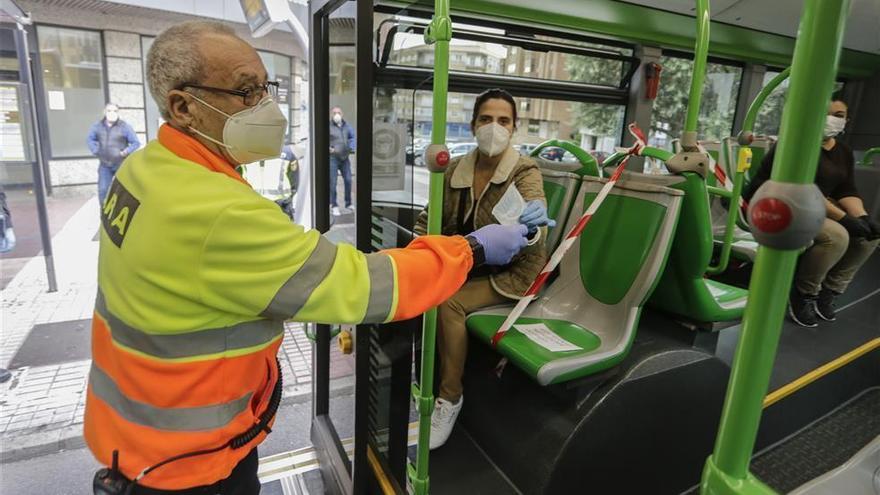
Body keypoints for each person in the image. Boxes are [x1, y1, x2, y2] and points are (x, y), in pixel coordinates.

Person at [87, 21, 529, 495]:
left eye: (264, 87)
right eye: (245, 91)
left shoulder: (143, 168)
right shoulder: (216, 211)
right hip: (190, 464)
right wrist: (473, 248)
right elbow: (361, 286)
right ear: (183, 107)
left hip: (132, 437)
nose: (266, 105)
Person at [414, 89, 555, 449]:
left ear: (514, 127)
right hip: (471, 264)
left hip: (516, 271)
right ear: (473, 124)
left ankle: (450, 396)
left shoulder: (524, 170)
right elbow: (429, 219)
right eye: (486, 119)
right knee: (421, 286)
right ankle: (422, 381)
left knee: (450, 301)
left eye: (503, 121)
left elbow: (535, 213)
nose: (494, 128)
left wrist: (534, 222)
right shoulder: (455, 171)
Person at [744, 99, 880, 328]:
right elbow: (803, 187)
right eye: (825, 113)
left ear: (846, 120)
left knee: (868, 238)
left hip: (817, 206)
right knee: (837, 236)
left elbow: (846, 189)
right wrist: (845, 219)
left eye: (838, 114)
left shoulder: (843, 150)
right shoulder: (795, 145)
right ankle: (804, 292)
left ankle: (831, 290)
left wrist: (862, 217)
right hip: (779, 203)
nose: (831, 119)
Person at [87, 103, 141, 205]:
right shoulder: (97, 126)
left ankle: (122, 211)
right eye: (109, 111)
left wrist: (125, 152)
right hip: (104, 165)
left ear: (118, 113)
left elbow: (136, 143)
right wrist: (96, 150)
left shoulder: (125, 127)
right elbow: (90, 139)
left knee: (124, 190)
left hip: (120, 164)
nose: (112, 113)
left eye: (115, 111)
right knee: (103, 190)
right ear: (104, 112)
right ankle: (104, 213)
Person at [329, 106, 355, 216]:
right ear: (331, 114)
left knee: (348, 180)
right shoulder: (328, 126)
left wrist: (351, 148)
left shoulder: (347, 126)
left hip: (345, 158)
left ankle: (348, 203)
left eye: (338, 112)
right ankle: (334, 205)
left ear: (342, 114)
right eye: (334, 113)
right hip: (333, 158)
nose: (336, 115)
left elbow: (352, 137)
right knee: (333, 182)